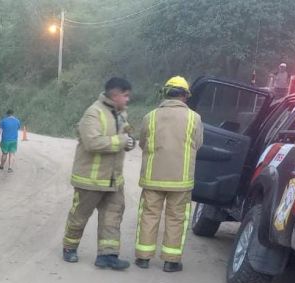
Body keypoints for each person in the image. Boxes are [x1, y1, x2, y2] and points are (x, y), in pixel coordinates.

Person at [62, 77, 136, 270]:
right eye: (126, 95)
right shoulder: (93, 113)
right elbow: (92, 142)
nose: (128, 99)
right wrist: (121, 141)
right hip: (90, 180)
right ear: (115, 94)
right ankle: (69, 248)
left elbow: (125, 135)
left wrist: (129, 142)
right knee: (79, 215)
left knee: (113, 216)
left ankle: (108, 255)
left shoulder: (120, 114)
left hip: (113, 180)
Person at [134, 76, 203, 272]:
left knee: (149, 215)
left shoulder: (150, 116)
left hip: (152, 178)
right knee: (176, 218)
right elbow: (198, 144)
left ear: (165, 93)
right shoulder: (194, 118)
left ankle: (143, 258)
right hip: (181, 181)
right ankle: (171, 261)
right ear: (185, 96)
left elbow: (142, 143)